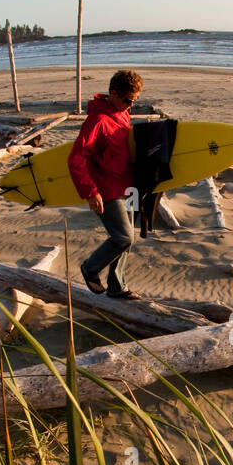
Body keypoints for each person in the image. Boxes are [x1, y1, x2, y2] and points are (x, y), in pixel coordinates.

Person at [68, 69, 144, 299]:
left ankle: (116, 286)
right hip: (106, 190)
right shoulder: (97, 121)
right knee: (123, 237)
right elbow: (76, 159)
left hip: (127, 186)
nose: (130, 106)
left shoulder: (122, 114)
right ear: (113, 94)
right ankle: (90, 268)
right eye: (128, 100)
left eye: (135, 101)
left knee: (128, 240)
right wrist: (90, 192)